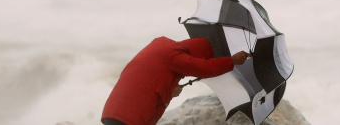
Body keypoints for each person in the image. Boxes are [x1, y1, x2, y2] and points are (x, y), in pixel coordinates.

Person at [101, 36, 251, 125]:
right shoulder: (174, 55)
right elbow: (205, 68)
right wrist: (232, 60)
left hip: (114, 111)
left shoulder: (161, 46)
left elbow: (148, 80)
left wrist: (169, 90)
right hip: (130, 119)